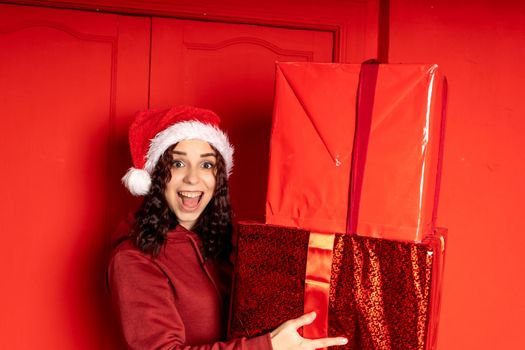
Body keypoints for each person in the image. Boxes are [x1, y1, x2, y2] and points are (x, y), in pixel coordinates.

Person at [107, 106, 348, 349]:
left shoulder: (228, 240)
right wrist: (268, 347)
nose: (192, 178)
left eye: (206, 165)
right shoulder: (133, 258)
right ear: (155, 175)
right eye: (178, 163)